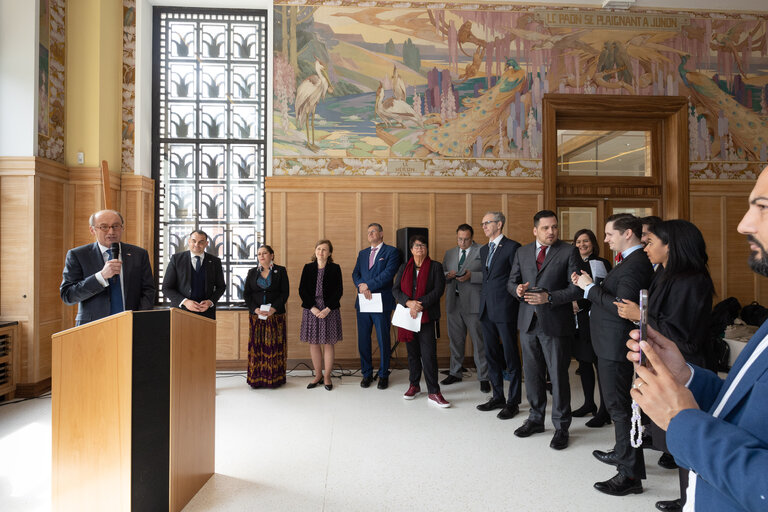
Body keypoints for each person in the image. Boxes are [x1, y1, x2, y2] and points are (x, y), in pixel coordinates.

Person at [627, 167, 768, 510]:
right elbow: (745, 410)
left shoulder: (691, 280)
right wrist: (686, 377)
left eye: (762, 207)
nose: (743, 224)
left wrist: (684, 422)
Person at [615, 220, 715, 512]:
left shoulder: (691, 279)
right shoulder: (666, 274)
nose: (646, 248)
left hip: (686, 369)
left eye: (651, 242)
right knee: (676, 438)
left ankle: (693, 500)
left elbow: (682, 335)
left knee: (688, 436)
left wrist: (639, 317)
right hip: (665, 367)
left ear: (670, 244)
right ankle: (687, 498)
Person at [572, 214, 654, 496]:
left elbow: (623, 307)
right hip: (610, 341)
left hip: (615, 343)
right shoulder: (629, 260)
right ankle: (622, 453)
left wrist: (590, 288)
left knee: (619, 408)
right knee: (618, 405)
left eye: (609, 234)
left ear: (627, 233)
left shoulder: (634, 264)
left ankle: (630, 476)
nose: (605, 239)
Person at [507, 210, 584, 450]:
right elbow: (511, 282)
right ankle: (535, 419)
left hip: (556, 323)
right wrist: (517, 290)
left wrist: (548, 297)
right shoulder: (521, 252)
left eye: (554, 227)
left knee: (559, 376)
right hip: (528, 323)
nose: (551, 232)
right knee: (531, 374)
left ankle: (562, 427)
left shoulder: (569, 252)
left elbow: (578, 288)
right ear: (535, 230)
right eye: (546, 228)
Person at [60, 209, 155, 326]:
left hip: (131, 324)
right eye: (104, 227)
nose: (111, 231)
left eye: (116, 226)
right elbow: (68, 295)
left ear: (122, 228)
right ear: (92, 230)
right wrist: (100, 277)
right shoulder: (78, 255)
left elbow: (148, 290)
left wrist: (140, 318)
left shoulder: (139, 254)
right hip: (93, 326)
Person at [476, 211, 522, 420]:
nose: (484, 226)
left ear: (499, 224)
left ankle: (513, 402)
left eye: (488, 223)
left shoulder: (513, 247)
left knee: (511, 356)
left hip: (505, 308)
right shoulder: (484, 249)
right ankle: (498, 396)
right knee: (491, 354)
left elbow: (516, 278)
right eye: (483, 223)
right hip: (486, 309)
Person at [393, 235, 449, 407]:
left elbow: (439, 290)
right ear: (411, 250)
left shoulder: (435, 266)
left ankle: (434, 391)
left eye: (423, 245)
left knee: (429, 355)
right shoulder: (404, 267)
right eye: (416, 246)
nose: (420, 248)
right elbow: (396, 290)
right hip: (408, 318)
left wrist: (420, 304)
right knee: (412, 355)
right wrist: (408, 302)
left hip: (426, 317)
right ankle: (414, 385)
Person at [441, 223, 489, 392]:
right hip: (453, 304)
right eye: (460, 239)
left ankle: (484, 376)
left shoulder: (483, 250)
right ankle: (455, 372)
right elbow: (442, 274)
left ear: (472, 237)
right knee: (456, 341)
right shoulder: (450, 253)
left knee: (479, 341)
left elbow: (490, 275)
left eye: (466, 239)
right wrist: (448, 275)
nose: (462, 242)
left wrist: (472, 276)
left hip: (474, 303)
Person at [571, 228, 612, 428]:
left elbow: (601, 292)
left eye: (585, 241)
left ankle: (605, 411)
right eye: (578, 241)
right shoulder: (571, 262)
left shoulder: (601, 263)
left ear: (593, 243)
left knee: (599, 365)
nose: (581, 245)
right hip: (574, 322)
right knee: (584, 363)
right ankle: (589, 403)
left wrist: (580, 304)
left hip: (593, 320)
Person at [352, 223, 401, 389]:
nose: (371, 234)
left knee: (383, 339)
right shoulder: (363, 253)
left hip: (381, 303)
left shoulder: (392, 252)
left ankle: (383, 374)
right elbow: (355, 273)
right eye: (368, 232)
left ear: (381, 233)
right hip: (364, 303)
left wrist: (368, 285)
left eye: (373, 231)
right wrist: (361, 285)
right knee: (363, 340)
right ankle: (366, 374)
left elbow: (388, 274)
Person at [299, 240, 343, 391]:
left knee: (328, 343)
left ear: (330, 253)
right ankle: (317, 375)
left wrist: (328, 309)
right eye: (318, 249)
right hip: (312, 310)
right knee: (314, 342)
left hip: (329, 310)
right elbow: (302, 290)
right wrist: (313, 308)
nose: (321, 252)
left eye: (324, 250)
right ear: (315, 250)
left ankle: (327, 376)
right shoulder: (308, 268)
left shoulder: (335, 268)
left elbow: (339, 291)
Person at [243, 245, 290, 389]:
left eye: (264, 253)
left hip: (275, 316)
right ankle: (256, 379)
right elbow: (247, 294)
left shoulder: (280, 271)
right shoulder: (252, 272)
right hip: (257, 316)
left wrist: (273, 308)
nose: (261, 256)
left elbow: (284, 293)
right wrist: (255, 309)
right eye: (259, 254)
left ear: (272, 255)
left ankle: (274, 379)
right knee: (257, 347)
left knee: (274, 347)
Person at [161, 229, 226, 319]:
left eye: (201, 242)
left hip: (206, 313)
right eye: (194, 241)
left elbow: (221, 287)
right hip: (181, 312)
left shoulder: (215, 261)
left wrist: (210, 302)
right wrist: (185, 301)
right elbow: (166, 288)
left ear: (206, 244)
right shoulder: (176, 259)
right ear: (189, 242)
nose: (196, 244)